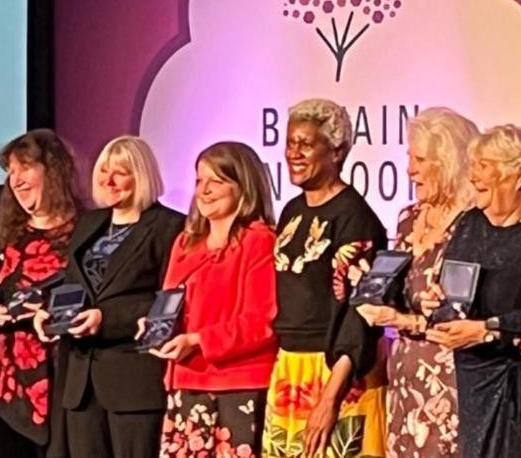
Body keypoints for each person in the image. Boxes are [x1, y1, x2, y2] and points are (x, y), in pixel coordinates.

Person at [423, 124, 521, 458]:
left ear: (520, 175)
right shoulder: (470, 222)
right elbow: (453, 294)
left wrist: (488, 329)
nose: (472, 176)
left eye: (483, 166)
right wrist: (436, 303)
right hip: (474, 379)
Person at [33, 135, 185, 458]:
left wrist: (108, 320)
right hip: (81, 382)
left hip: (132, 380)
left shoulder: (169, 227)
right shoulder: (90, 223)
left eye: (121, 172)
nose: (109, 180)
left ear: (141, 176)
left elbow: (170, 302)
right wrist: (48, 313)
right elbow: (74, 285)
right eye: (104, 170)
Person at [262, 98, 388, 458]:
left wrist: (330, 397)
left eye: (305, 144)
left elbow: (359, 314)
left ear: (337, 151)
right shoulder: (292, 209)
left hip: (335, 371)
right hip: (291, 367)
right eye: (290, 142)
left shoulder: (355, 218)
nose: (293, 153)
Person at [356, 107, 478, 458]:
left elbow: (464, 312)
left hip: (448, 377)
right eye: (410, 158)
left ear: (449, 162)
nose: (410, 170)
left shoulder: (474, 223)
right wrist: (368, 287)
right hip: (404, 376)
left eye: (420, 160)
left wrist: (405, 321)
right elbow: (399, 291)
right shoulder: (408, 218)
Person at [151, 141, 278, 458]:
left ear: (243, 186)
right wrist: (154, 328)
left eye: (216, 181)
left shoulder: (259, 241)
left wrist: (198, 340)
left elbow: (261, 321)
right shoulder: (185, 242)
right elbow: (169, 303)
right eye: (199, 180)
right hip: (186, 382)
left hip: (237, 387)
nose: (204, 191)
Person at [0, 129, 79, 458]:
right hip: (5, 387)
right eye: (11, 172)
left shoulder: (85, 232)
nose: (16, 180)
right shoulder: (12, 238)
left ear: (53, 171)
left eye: (25, 168)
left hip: (62, 378)